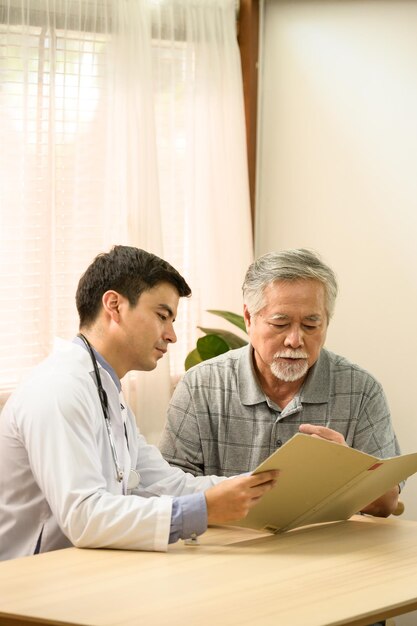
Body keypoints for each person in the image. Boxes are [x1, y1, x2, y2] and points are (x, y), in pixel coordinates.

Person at [0, 246, 277, 561]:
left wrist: (268, 488)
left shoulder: (104, 392)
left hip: (80, 573)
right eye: (162, 316)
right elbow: (85, 516)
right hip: (28, 586)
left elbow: (164, 483)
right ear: (114, 305)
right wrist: (204, 509)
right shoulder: (58, 389)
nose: (171, 335)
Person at [159, 248, 401, 518]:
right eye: (280, 323)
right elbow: (167, 489)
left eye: (311, 325)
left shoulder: (361, 390)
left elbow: (387, 504)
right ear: (249, 319)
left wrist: (347, 468)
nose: (295, 340)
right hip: (228, 547)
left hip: (322, 548)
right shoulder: (201, 386)